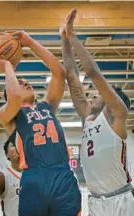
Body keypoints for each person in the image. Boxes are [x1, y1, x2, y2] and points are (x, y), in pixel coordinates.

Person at [0, 30, 81, 216]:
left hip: (62, 174)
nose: (26, 83)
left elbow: (59, 72)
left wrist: (29, 42)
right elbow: (13, 96)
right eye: (20, 83)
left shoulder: (47, 107)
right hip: (34, 178)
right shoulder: (9, 115)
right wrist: (7, 66)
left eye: (26, 82)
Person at [61, 9, 133, 216]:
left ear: (112, 99)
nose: (93, 96)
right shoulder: (89, 119)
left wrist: (73, 37)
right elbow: (72, 77)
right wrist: (63, 38)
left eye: (98, 94)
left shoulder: (118, 115)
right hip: (96, 202)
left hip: (121, 200)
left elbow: (92, 73)